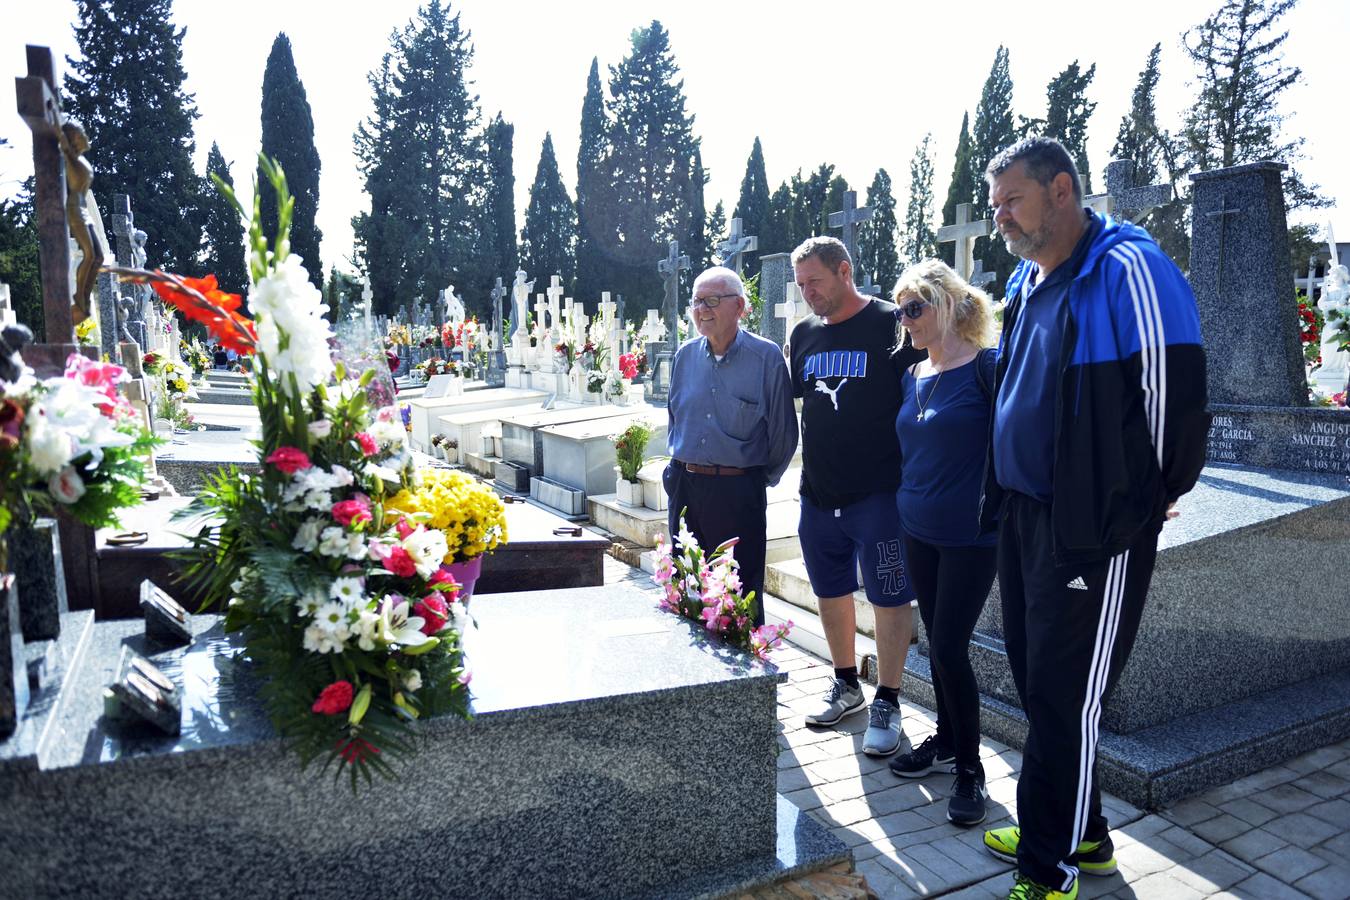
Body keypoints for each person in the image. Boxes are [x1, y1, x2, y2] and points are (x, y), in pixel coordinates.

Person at [978, 137, 1209, 900]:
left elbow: (1175, 398)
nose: (1000, 216)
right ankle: (1083, 832)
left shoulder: (1128, 268)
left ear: (1062, 191)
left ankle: (1049, 869)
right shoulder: (1030, 279)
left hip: (1092, 528)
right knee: (1038, 680)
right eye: (995, 204)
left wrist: (1143, 502)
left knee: (1066, 694)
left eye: (1012, 200)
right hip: (1025, 515)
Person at [788, 237, 923, 757]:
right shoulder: (803, 334)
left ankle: (888, 698)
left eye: (815, 282)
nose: (807, 293)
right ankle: (846, 683)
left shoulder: (892, 323)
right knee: (830, 589)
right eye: (801, 285)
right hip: (819, 493)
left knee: (889, 596)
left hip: (880, 496)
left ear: (845, 271)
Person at [885, 259, 999, 827]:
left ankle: (971, 770)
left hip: (971, 537)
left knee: (950, 648)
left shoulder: (988, 368)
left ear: (947, 305)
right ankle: (949, 740)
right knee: (936, 643)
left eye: (913, 308)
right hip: (917, 530)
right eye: (900, 311)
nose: (904, 320)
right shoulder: (912, 374)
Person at [664, 266, 798, 625]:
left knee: (739, 597)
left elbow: (783, 434)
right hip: (685, 487)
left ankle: (743, 661)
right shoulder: (684, 356)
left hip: (738, 492)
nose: (701, 310)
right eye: (696, 301)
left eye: (711, 301)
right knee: (686, 588)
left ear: (739, 307)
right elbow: (675, 417)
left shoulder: (765, 358)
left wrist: (751, 480)